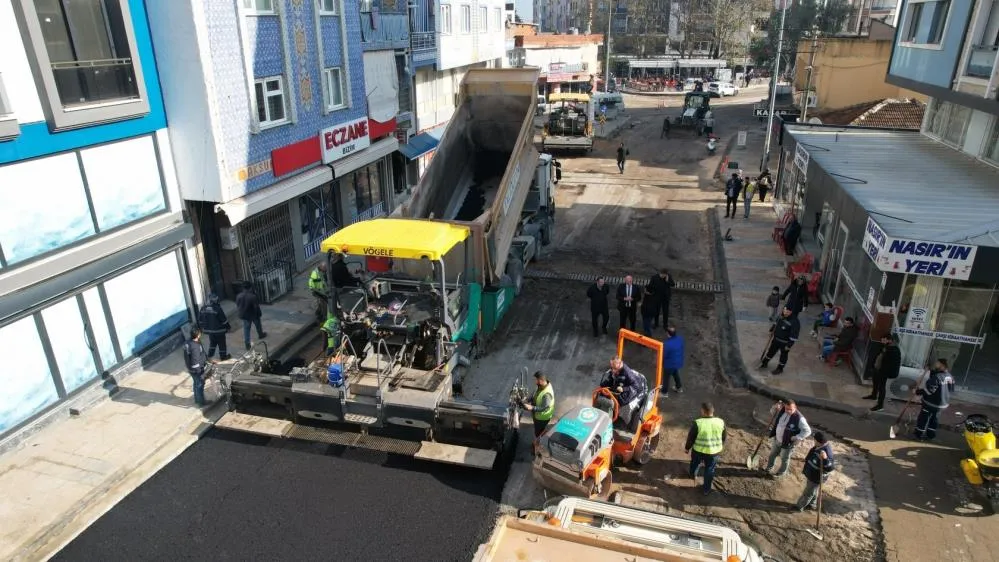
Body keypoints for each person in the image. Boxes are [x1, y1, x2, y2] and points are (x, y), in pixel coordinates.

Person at [762, 399, 812, 477]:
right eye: (786, 408)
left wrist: (797, 437)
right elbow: (773, 413)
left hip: (787, 443)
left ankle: (781, 473)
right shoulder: (782, 411)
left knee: (784, 459)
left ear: (795, 407)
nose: (788, 411)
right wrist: (775, 407)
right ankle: (768, 468)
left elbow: (808, 431)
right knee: (772, 455)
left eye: (790, 409)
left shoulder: (799, 418)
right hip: (777, 439)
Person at [685, 402, 726, 496]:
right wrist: (720, 446)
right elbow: (724, 437)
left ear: (703, 411)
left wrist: (687, 448)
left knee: (695, 463)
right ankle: (706, 489)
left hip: (698, 451)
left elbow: (691, 438)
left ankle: (692, 474)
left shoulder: (698, 423)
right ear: (713, 411)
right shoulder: (721, 422)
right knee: (710, 470)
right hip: (714, 452)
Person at [794, 431, 835, 511]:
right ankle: (812, 504)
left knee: (808, 493)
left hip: (816, 477)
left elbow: (830, 468)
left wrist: (825, 459)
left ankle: (799, 507)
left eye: (814, 439)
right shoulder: (818, 446)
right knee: (813, 490)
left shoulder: (827, 452)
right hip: (812, 474)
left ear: (818, 441)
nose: (813, 440)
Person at [914, 359, 954, 441]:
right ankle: (930, 435)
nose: (935, 365)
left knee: (923, 418)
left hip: (930, 403)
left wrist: (917, 391)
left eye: (937, 364)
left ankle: (919, 434)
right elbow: (951, 390)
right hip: (942, 404)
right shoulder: (950, 376)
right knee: (934, 419)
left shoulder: (937, 377)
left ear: (943, 365)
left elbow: (929, 390)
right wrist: (928, 370)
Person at [601, 357, 645, 425]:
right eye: (611, 366)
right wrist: (604, 385)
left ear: (619, 364)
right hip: (620, 385)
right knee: (602, 391)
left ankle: (616, 416)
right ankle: (606, 410)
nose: (612, 369)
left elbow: (636, 386)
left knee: (620, 401)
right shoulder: (615, 369)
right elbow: (612, 377)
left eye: (613, 367)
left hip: (629, 389)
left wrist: (624, 389)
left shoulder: (628, 374)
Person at [865, 333, 901, 411]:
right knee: (875, 382)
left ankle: (880, 405)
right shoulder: (885, 346)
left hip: (884, 371)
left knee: (881, 387)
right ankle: (873, 395)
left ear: (889, 340)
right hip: (878, 368)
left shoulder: (893, 349)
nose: (882, 341)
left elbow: (890, 363)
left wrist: (882, 371)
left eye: (884, 340)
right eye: (882, 340)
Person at [760, 306, 800, 375]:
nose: (785, 312)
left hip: (785, 343)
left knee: (783, 355)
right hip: (776, 340)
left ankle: (780, 368)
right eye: (784, 310)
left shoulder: (795, 322)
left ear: (791, 312)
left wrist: (789, 345)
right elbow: (776, 323)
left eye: (787, 311)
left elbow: (794, 335)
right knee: (770, 351)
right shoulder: (781, 316)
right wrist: (772, 329)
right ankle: (764, 363)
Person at [521, 371, 555, 441]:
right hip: (536, 414)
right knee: (537, 426)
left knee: (538, 431)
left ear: (541, 380)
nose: (535, 381)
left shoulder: (547, 394)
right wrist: (528, 399)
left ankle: (538, 440)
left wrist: (532, 407)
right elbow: (535, 394)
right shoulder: (540, 386)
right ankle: (539, 435)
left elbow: (544, 408)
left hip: (542, 417)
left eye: (536, 380)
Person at [198, 293, 231, 361]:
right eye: (216, 299)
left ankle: (210, 355)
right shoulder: (217, 308)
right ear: (215, 300)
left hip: (209, 332)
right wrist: (228, 327)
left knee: (213, 343)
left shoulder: (203, 308)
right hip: (219, 331)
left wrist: (203, 329)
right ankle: (223, 357)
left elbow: (200, 320)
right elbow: (224, 320)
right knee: (222, 344)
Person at [235, 282, 267, 351]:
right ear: (250, 288)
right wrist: (258, 314)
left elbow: (238, 305)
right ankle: (260, 334)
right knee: (258, 325)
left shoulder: (238, 296)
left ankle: (247, 344)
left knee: (246, 330)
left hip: (244, 316)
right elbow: (256, 307)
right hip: (253, 315)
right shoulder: (252, 296)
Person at [183, 327, 209, 407]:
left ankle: (197, 400)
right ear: (198, 335)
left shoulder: (188, 342)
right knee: (200, 385)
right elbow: (195, 361)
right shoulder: (195, 347)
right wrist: (200, 372)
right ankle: (201, 402)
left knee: (196, 384)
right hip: (196, 370)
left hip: (190, 369)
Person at [662, 326, 685, 397]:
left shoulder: (667, 344)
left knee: (666, 378)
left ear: (668, 334)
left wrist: (662, 362)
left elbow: (664, 355)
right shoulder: (680, 339)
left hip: (669, 364)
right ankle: (679, 387)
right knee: (675, 373)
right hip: (678, 361)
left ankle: (664, 392)